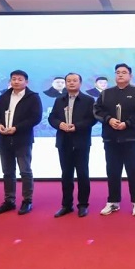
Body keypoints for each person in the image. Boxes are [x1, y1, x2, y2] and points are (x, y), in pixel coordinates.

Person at [94, 63, 135, 216]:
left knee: (133, 170)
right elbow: (97, 110)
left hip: (131, 138)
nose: (120, 74)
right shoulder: (106, 93)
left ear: (130, 76)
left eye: (124, 72)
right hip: (111, 138)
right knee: (113, 170)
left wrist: (127, 123)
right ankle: (113, 201)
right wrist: (109, 119)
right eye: (118, 72)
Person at [0, 70, 43, 215]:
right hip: (4, 139)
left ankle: (27, 201)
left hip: (22, 139)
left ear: (26, 82)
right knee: (7, 172)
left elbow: (36, 118)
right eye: (14, 79)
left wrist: (16, 128)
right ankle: (9, 201)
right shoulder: (4, 96)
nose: (16, 81)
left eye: (20, 79)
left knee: (25, 171)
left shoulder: (33, 97)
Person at [48, 73, 97, 218]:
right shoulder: (59, 100)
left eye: (74, 81)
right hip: (64, 141)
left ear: (80, 83)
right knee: (66, 174)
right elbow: (52, 117)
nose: (71, 83)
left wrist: (77, 126)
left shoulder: (88, 100)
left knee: (82, 174)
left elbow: (92, 119)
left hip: (81, 141)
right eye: (68, 81)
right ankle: (66, 205)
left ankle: (83, 205)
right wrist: (59, 124)